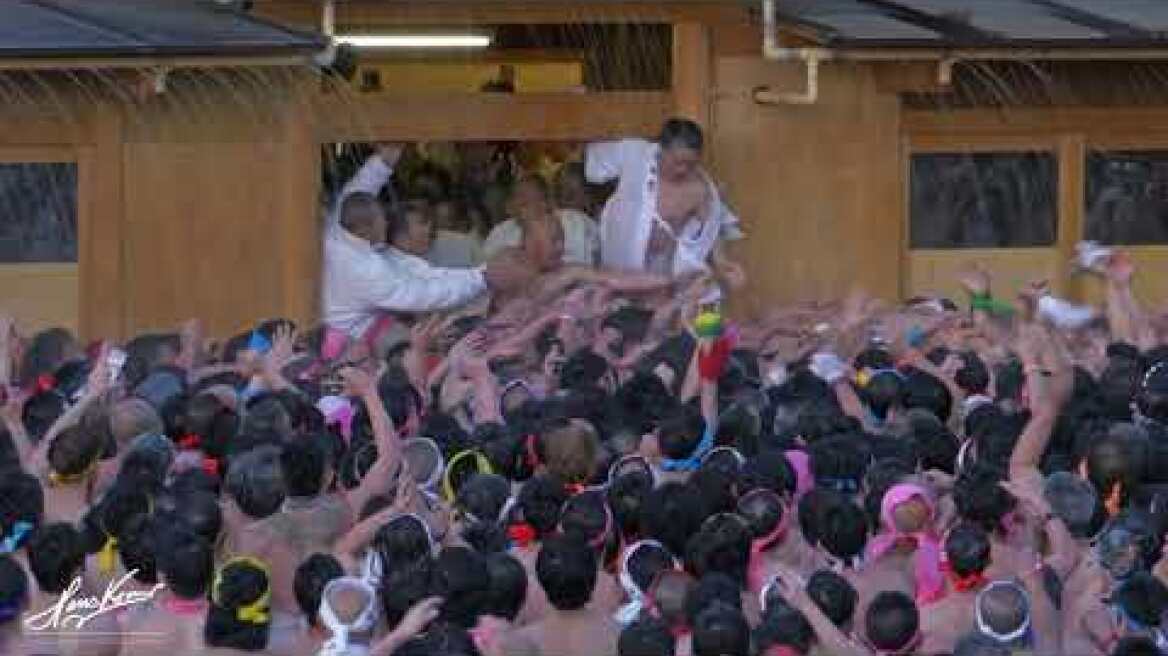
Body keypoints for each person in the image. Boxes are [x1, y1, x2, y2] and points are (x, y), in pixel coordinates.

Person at [322, 144, 532, 346]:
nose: (388, 223)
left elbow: (358, 190)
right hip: (349, 341)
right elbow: (424, 294)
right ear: (364, 229)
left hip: (374, 323)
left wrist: (383, 161)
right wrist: (483, 278)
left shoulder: (340, 228)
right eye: (382, 222)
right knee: (426, 343)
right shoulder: (364, 270)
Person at [586, 118, 745, 293]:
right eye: (677, 162)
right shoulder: (635, 155)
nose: (682, 170)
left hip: (664, 273)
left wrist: (721, 261)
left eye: (690, 164)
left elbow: (710, 231)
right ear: (660, 149)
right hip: (619, 263)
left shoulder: (700, 190)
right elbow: (594, 164)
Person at [482, 171, 600, 267]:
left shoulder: (576, 221)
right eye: (524, 202)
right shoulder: (498, 235)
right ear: (509, 207)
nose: (535, 207)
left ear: (549, 201)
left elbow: (600, 254)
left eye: (539, 199)